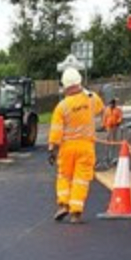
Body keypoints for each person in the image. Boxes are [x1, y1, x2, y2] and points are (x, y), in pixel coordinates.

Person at [48, 67, 104, 223]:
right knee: (81, 179)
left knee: (64, 176)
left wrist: (52, 148)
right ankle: (76, 212)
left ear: (65, 86)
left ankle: (63, 204)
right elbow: (100, 108)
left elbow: (56, 131)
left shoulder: (62, 106)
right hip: (86, 147)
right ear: (79, 81)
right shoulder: (91, 98)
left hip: (67, 147)